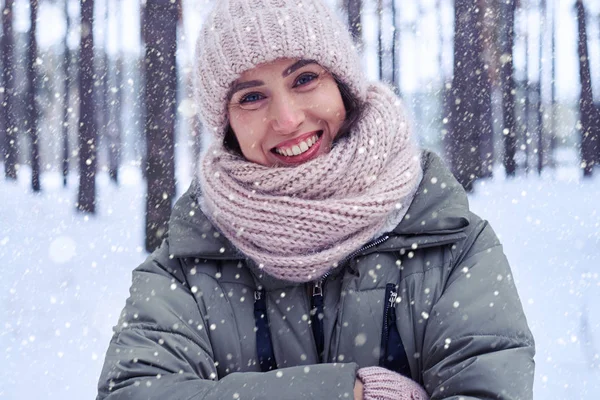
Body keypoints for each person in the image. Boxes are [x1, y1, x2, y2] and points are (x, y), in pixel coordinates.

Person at [96, 0, 535, 399]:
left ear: (342, 85)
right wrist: (351, 394)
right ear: (226, 123)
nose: (287, 119)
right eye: (251, 97)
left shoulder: (449, 237)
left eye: (305, 78)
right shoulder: (189, 260)